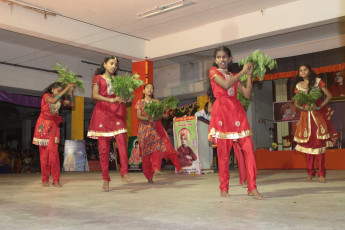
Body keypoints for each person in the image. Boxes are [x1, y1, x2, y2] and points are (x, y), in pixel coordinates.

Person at [208, 45, 262, 199]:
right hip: (222, 113)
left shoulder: (233, 75)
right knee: (223, 154)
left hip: (237, 113)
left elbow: (247, 94)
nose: (222, 59)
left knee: (249, 148)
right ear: (215, 60)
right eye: (218, 57)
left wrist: (249, 75)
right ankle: (224, 188)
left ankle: (252, 186)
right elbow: (225, 85)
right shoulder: (213, 72)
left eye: (224, 56)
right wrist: (242, 73)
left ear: (230, 59)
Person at [87, 56, 132, 191]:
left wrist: (126, 97)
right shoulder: (97, 78)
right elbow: (94, 95)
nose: (114, 66)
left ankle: (124, 173)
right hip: (103, 112)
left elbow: (123, 97)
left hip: (117, 112)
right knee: (104, 149)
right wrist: (110, 100)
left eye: (116, 64)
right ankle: (105, 179)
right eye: (111, 63)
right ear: (105, 64)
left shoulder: (118, 80)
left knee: (122, 142)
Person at [293, 64, 339, 183]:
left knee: (319, 146)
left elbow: (329, 96)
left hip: (317, 117)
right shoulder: (298, 86)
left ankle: (321, 173)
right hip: (305, 118)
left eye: (305, 69)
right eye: (300, 70)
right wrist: (303, 107)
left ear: (309, 71)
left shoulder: (318, 81)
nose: (302, 72)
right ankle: (310, 172)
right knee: (307, 147)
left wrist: (319, 106)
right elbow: (296, 104)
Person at [135, 83, 184, 183]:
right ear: (143, 91)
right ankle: (149, 176)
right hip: (144, 131)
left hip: (155, 130)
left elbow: (162, 116)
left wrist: (164, 111)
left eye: (151, 88)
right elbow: (138, 116)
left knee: (157, 148)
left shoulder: (156, 102)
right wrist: (148, 118)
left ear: (153, 92)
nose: (149, 89)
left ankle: (156, 168)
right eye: (147, 88)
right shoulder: (140, 102)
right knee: (145, 155)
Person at [32, 82, 75, 187]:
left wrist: (70, 91)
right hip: (43, 126)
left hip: (54, 127)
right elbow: (53, 100)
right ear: (52, 89)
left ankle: (56, 180)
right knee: (44, 155)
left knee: (54, 154)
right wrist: (66, 88)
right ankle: (45, 179)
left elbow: (72, 105)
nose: (60, 93)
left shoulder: (59, 99)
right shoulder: (46, 96)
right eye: (58, 91)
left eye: (61, 91)